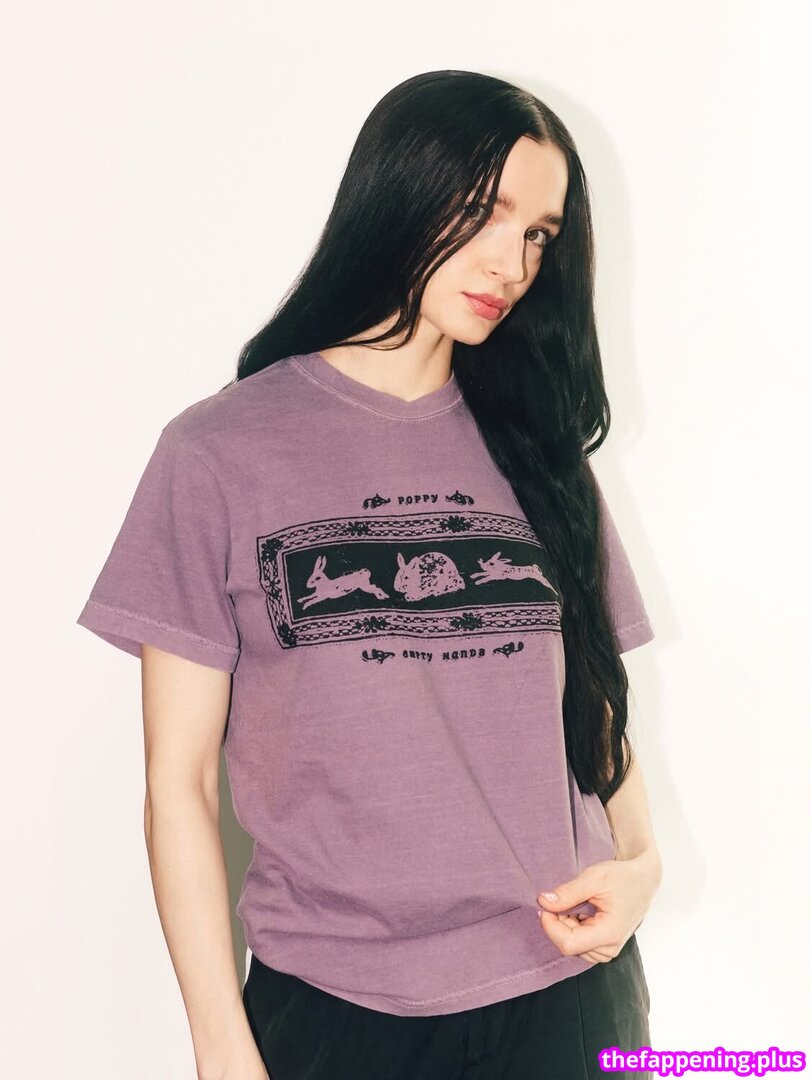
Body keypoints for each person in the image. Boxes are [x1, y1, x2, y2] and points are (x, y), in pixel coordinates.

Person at [76, 69, 662, 1080]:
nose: (512, 262)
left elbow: (593, 703)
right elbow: (178, 783)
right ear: (399, 192)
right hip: (336, 1012)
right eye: (485, 212)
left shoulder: (539, 451)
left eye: (539, 234)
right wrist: (221, 1044)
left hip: (566, 991)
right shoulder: (221, 453)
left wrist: (639, 861)